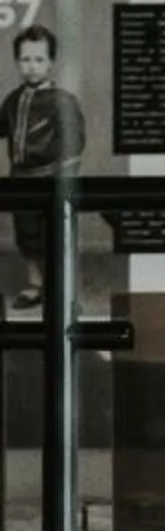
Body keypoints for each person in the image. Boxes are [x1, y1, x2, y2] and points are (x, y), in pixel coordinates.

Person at [1, 24, 87, 314]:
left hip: (51, 179)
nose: (32, 66)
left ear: (51, 63)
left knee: (55, 238)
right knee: (26, 235)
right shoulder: (12, 100)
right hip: (20, 179)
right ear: (17, 62)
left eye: (39, 59)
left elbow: (74, 146)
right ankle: (35, 285)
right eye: (25, 59)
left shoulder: (63, 102)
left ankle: (64, 292)